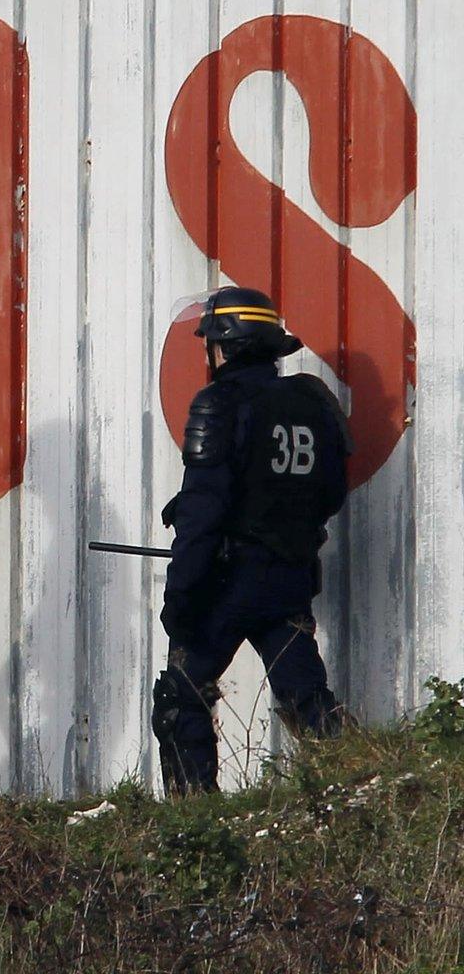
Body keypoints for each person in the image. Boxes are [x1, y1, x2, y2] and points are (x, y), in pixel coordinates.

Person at [153, 285, 351, 795]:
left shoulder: (219, 403)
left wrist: (180, 596)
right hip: (290, 575)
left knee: (181, 696)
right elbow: (329, 494)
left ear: (223, 346)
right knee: (306, 697)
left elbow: (202, 512)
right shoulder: (312, 402)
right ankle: (351, 798)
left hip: (229, 581)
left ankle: (196, 826)